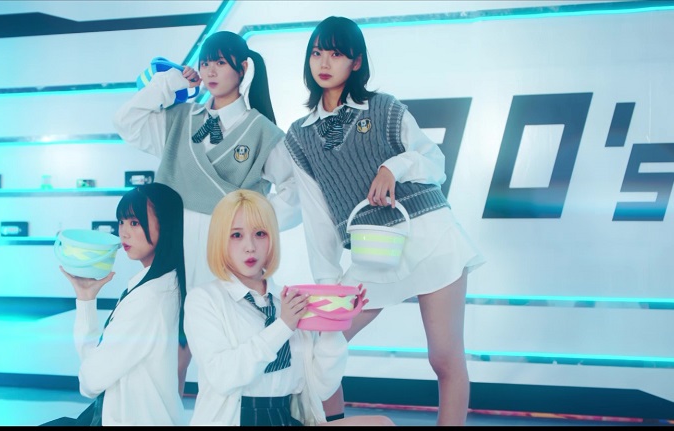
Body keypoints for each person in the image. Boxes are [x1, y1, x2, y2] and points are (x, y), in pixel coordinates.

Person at [282, 16, 486, 426]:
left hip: (428, 236)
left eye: (336, 53)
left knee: (445, 358)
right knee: (322, 345)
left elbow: (434, 160)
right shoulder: (299, 135)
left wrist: (393, 167)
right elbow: (318, 214)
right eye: (317, 53)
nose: (324, 62)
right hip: (372, 251)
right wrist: (328, 283)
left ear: (356, 62)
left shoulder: (385, 108)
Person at [113, 30, 300, 397]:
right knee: (170, 346)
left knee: (227, 346)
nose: (211, 71)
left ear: (242, 68)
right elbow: (126, 121)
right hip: (174, 245)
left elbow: (295, 192)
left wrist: (251, 227)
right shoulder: (179, 118)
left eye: (220, 63)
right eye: (205, 63)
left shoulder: (263, 131)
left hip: (225, 251)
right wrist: (168, 83)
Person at [183, 189, 394, 426]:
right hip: (238, 419)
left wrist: (335, 323)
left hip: (285, 417)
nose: (250, 246)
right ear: (219, 239)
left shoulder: (290, 300)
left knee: (381, 423)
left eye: (260, 234)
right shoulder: (204, 299)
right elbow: (223, 377)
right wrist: (283, 326)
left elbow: (322, 388)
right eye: (236, 235)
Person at [46, 183, 187, 426]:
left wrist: (92, 370)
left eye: (134, 222)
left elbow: (91, 381)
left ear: (166, 225)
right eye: (121, 222)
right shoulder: (164, 285)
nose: (124, 232)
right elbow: (97, 366)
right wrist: (86, 298)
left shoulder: (149, 298)